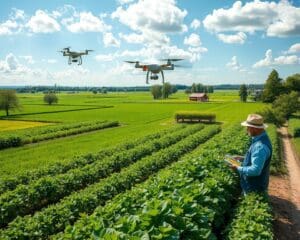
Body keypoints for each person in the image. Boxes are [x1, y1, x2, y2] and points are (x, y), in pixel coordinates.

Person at [231, 113, 272, 194]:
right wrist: (241, 158)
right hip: (258, 183)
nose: (246, 130)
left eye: (248, 127)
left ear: (254, 129)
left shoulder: (259, 146)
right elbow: (257, 158)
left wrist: (237, 168)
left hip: (254, 187)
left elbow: (255, 170)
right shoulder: (262, 139)